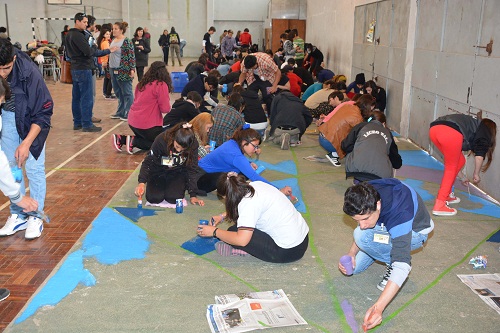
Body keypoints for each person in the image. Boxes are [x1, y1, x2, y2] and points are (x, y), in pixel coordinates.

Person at [339, 180, 433, 331]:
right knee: (356, 260)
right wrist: (351, 253)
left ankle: (388, 257)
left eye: (364, 219)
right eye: (357, 220)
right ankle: (379, 248)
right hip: (384, 226)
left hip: (416, 234)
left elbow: (403, 265)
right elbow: (362, 223)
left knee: (362, 236)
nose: (362, 224)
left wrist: (378, 308)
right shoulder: (366, 193)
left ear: (378, 205)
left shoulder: (400, 213)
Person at [0, 40, 51, 239]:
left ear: (13, 59)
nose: (2, 74)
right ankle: (18, 214)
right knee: (12, 165)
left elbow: (44, 113)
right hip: (8, 118)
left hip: (33, 121)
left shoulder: (30, 73)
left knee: (34, 167)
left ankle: (35, 215)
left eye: (6, 69)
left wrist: (27, 142)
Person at [197, 172, 309, 262]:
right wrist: (221, 216)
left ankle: (241, 251)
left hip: (288, 251)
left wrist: (215, 231)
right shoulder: (255, 185)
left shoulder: (247, 204)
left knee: (234, 231)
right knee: (240, 226)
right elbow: (250, 207)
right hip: (303, 240)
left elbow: (242, 240)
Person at [429, 114, 496, 216]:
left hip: (434, 129)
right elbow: (479, 156)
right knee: (451, 167)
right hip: (450, 131)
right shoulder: (485, 129)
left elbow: (456, 163)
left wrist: (463, 177)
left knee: (460, 161)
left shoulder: (473, 124)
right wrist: (476, 174)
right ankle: (440, 204)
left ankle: (445, 194)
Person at [198, 125, 295, 195]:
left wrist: (248, 163)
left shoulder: (233, 143)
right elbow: (255, 177)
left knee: (242, 172)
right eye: (255, 146)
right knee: (237, 175)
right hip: (199, 180)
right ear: (245, 142)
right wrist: (278, 191)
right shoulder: (235, 154)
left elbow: (233, 160)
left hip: (202, 175)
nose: (256, 150)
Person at [134, 122, 205, 207]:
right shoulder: (161, 140)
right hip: (158, 171)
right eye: (177, 146)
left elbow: (192, 168)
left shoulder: (193, 144)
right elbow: (148, 161)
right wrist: (141, 182)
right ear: (174, 139)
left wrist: (193, 194)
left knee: (174, 198)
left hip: (177, 172)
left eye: (183, 149)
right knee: (153, 198)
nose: (179, 151)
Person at [65, 12, 113, 132]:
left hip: (76, 68)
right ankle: (86, 124)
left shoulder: (69, 34)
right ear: (77, 21)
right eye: (84, 22)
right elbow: (88, 51)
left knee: (76, 97)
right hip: (83, 68)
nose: (86, 24)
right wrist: (99, 49)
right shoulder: (78, 35)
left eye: (87, 22)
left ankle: (78, 122)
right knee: (86, 97)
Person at [112, 61, 172, 154]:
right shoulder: (161, 85)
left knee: (148, 137)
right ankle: (134, 141)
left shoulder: (142, 83)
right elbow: (165, 109)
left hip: (133, 121)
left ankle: (122, 139)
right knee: (161, 144)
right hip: (149, 124)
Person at [341, 111, 402, 182]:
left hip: (356, 169)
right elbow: (396, 162)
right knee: (388, 157)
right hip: (380, 175)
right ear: (383, 123)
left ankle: (358, 180)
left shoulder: (360, 126)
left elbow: (345, 146)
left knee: (352, 147)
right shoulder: (388, 133)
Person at [318, 94, 374, 167]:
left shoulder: (348, 105)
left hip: (323, 135)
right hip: (329, 142)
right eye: (372, 107)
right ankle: (335, 155)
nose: (372, 109)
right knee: (357, 138)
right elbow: (361, 135)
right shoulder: (357, 118)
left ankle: (334, 153)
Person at [109, 21, 136, 121]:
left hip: (123, 70)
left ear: (121, 30)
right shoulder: (113, 39)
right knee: (118, 91)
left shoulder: (126, 41)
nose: (113, 31)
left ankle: (129, 113)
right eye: (113, 29)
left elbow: (131, 55)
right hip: (113, 69)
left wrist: (132, 69)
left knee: (127, 92)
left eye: (116, 29)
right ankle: (120, 111)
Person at [97, 28, 114, 99]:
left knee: (107, 78)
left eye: (109, 34)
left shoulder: (105, 42)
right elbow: (107, 53)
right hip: (107, 62)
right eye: (107, 34)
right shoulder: (105, 43)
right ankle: (108, 93)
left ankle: (106, 92)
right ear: (103, 35)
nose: (108, 35)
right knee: (110, 78)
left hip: (106, 62)